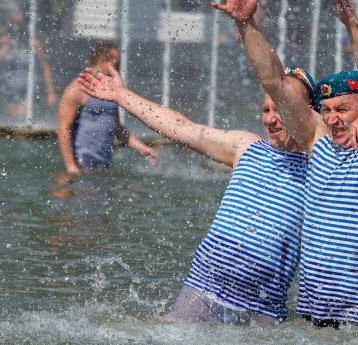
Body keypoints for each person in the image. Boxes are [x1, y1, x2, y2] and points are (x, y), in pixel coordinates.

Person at [209, 0, 358, 327]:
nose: (332, 119)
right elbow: (273, 81)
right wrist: (246, 25)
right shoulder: (318, 143)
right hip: (307, 318)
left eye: (343, 110)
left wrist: (351, 24)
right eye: (326, 111)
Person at [77, 62, 322, 325]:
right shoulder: (247, 147)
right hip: (203, 291)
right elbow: (180, 126)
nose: (271, 119)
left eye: (282, 109)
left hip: (262, 309)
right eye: (266, 109)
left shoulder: (321, 168)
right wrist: (121, 95)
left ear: (307, 114)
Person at [56, 41, 157, 174]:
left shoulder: (111, 92)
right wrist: (71, 167)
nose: (119, 69)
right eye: (117, 64)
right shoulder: (78, 88)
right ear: (104, 60)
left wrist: (143, 148)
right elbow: (63, 129)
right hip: (81, 164)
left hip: (103, 166)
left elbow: (117, 129)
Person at [0, 16, 56, 119]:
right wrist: (3, 51)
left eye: (20, 27)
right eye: (14, 27)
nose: (17, 31)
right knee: (13, 119)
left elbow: (45, 66)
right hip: (9, 88)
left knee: (22, 116)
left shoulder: (33, 43)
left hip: (29, 88)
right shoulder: (4, 43)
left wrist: (50, 92)